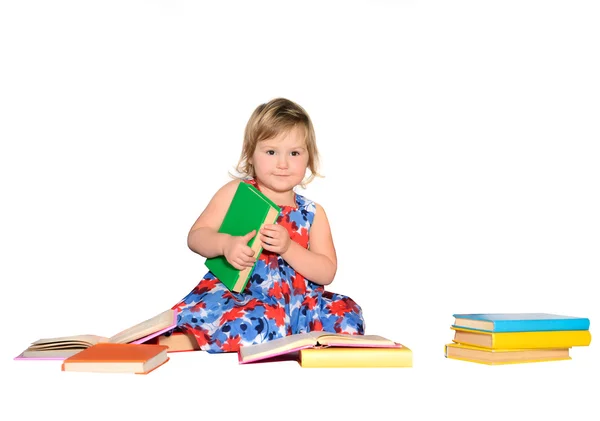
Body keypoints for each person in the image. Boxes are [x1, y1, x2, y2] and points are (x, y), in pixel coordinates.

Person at [171, 98, 364, 353]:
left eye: (294, 153)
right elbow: (196, 236)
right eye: (271, 152)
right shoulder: (237, 193)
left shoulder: (313, 213)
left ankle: (299, 337)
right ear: (251, 153)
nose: (282, 163)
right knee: (256, 321)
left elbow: (326, 271)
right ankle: (179, 341)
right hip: (244, 298)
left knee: (349, 313)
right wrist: (225, 244)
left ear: (309, 158)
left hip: (300, 305)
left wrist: (288, 248)